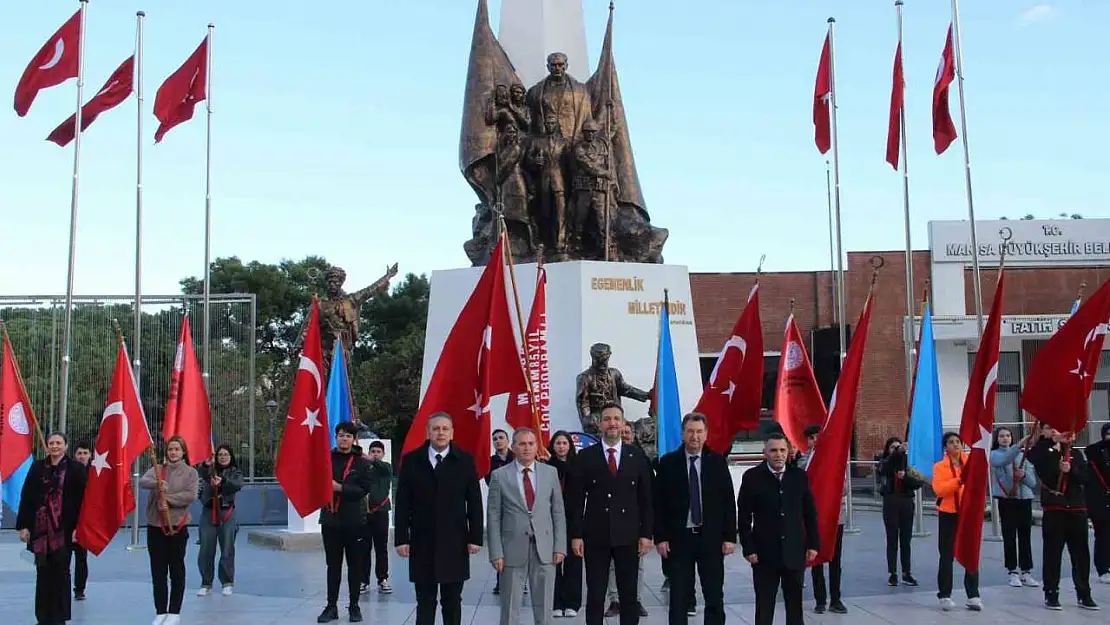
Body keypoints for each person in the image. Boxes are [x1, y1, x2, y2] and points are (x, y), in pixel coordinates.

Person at [566, 403, 654, 625]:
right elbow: (575, 501)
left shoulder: (637, 456)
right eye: (607, 419)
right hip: (596, 535)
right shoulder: (585, 457)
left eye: (616, 418)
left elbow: (647, 499)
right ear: (599, 423)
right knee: (596, 594)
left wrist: (646, 534)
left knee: (628, 595)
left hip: (629, 536)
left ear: (624, 423)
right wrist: (576, 534)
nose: (612, 423)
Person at [395, 412, 483, 625]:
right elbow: (403, 503)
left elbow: (474, 502)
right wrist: (401, 538)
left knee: (452, 600)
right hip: (421, 540)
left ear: (452, 433)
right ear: (428, 432)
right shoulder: (412, 460)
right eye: (436, 428)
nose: (440, 432)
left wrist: (476, 537)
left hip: (455, 541)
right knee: (425, 600)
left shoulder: (464, 460)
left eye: (445, 428)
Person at [654, 413, 736, 625]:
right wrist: (661, 537)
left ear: (706, 434)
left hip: (711, 539)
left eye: (699, 431)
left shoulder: (717, 462)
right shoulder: (668, 463)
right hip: (679, 540)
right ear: (682, 433)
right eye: (690, 431)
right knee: (679, 596)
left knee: (714, 595)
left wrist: (729, 537)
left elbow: (728, 501)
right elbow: (658, 503)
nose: (695, 436)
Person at [487, 427, 567, 625]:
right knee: (510, 608)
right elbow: (494, 516)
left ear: (536, 446)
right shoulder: (499, 476)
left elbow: (557, 512)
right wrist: (496, 552)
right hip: (512, 549)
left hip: (545, 549)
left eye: (531, 443)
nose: (527, 448)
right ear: (513, 447)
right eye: (522, 444)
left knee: (544, 607)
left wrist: (560, 547)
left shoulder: (550, 473)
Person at [738, 433, 818, 625]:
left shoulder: (799, 476)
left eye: (782, 450)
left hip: (794, 551)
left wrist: (813, 544)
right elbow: (743, 516)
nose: (778, 455)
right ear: (765, 452)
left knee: (795, 608)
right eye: (773, 450)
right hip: (764, 554)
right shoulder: (752, 477)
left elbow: (810, 513)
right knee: (764, 607)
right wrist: (749, 548)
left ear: (788, 451)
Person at [1026, 425, 1099, 611]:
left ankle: (1084, 594)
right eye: (1050, 429)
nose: (1056, 432)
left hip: (1076, 508)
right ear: (1043, 432)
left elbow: (1086, 477)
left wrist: (1071, 469)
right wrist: (1052, 443)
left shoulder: (1076, 453)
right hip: (1055, 507)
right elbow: (1033, 457)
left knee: (1081, 554)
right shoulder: (1043, 450)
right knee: (1053, 553)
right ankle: (1051, 593)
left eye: (1058, 429)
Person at [16, 432, 87, 625]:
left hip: (64, 530)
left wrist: (79, 528)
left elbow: (84, 501)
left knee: (62, 574)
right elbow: (27, 497)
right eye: (51, 443)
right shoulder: (38, 467)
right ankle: (43, 617)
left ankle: (59, 617)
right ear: (46, 445)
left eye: (58, 443)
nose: (54, 446)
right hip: (40, 532)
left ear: (65, 446)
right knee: (43, 574)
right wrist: (23, 526)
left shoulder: (76, 469)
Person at [316, 422, 374, 623]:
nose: (344, 439)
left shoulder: (362, 463)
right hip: (331, 520)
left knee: (355, 566)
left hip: (355, 521)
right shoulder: (327, 459)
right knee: (333, 565)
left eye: (348, 436)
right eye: (341, 435)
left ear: (354, 439)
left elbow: (363, 490)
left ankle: (354, 606)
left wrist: (340, 488)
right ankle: (331, 606)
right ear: (336, 437)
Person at [139, 435, 200, 625]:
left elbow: (190, 495)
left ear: (183, 452)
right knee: (157, 570)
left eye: (177, 449)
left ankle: (175, 611)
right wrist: (158, 484)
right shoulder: (158, 469)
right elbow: (142, 481)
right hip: (156, 526)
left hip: (177, 527)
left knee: (176, 568)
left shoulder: (190, 473)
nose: (173, 452)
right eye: (170, 449)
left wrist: (169, 498)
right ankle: (160, 610)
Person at [796, 425, 846, 615]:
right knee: (815, 557)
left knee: (835, 559)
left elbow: (844, 488)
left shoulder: (835, 460)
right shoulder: (803, 462)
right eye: (811, 438)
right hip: (813, 519)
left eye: (817, 437)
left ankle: (836, 599)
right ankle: (820, 600)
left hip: (835, 519)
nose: (814, 441)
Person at [931, 432, 980, 611]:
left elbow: (977, 485)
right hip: (948, 513)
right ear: (946, 447)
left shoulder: (970, 463)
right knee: (946, 555)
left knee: (971, 552)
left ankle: (973, 595)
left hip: (967, 513)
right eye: (951, 442)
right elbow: (939, 489)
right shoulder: (939, 467)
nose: (955, 445)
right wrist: (958, 481)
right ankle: (944, 594)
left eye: (958, 441)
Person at [605, 422, 648, 617]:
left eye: (627, 432)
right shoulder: (608, 457)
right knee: (612, 568)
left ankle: (635, 600)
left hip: (633, 524)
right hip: (609, 525)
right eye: (622, 432)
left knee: (635, 568)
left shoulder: (639, 458)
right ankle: (615, 600)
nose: (625, 435)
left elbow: (646, 494)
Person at [989, 427, 1039, 588]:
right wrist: (1018, 446)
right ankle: (1012, 571)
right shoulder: (995, 454)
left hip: (1024, 499)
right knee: (1009, 536)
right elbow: (1002, 461)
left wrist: (1023, 475)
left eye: (1008, 435)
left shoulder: (1024, 455)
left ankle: (1026, 571)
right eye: (1002, 436)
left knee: (1025, 535)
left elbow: (1032, 483)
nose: (1005, 438)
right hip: (1007, 499)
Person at [195, 444, 244, 598]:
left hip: (226, 513)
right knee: (206, 549)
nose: (223, 457)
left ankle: (227, 582)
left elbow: (237, 484)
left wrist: (222, 482)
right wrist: (206, 464)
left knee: (227, 548)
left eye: (226, 454)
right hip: (209, 513)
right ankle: (206, 583)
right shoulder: (209, 470)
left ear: (230, 457)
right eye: (220, 454)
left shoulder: (234, 472)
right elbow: (199, 474)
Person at [876, 437, 921, 587]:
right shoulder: (885, 463)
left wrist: (906, 477)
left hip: (906, 501)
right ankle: (892, 573)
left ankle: (906, 572)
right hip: (890, 501)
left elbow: (918, 483)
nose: (896, 450)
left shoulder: (908, 464)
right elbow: (885, 468)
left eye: (898, 447)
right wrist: (896, 453)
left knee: (906, 539)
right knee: (892, 538)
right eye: (892, 447)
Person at [546, 430, 581, 618]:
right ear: (553, 446)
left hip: (574, 519)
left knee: (574, 561)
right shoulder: (546, 465)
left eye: (564, 443)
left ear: (570, 446)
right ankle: (555, 602)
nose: (561, 446)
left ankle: (572, 603)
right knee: (553, 562)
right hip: (551, 520)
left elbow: (573, 477)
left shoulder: (577, 466)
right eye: (558, 443)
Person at [361, 440, 393, 595]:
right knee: (364, 548)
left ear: (383, 454)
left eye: (378, 452)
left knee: (381, 548)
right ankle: (363, 580)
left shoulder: (386, 467)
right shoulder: (364, 468)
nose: (375, 454)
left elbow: (382, 467)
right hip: (364, 514)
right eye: (372, 451)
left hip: (381, 512)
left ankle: (383, 579)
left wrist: (370, 459)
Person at [488, 428, 516, 595]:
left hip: (517, 507)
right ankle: (501, 581)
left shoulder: (517, 459)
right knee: (500, 547)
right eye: (495, 439)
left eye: (501, 438)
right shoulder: (490, 461)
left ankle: (521, 581)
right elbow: (488, 479)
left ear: (507, 441)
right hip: (500, 507)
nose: (498, 441)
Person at [1086, 422, 1110, 584]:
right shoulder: (1096, 455)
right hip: (1100, 502)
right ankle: (1103, 568)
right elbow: (1091, 451)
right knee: (1103, 535)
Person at [71, 439, 92, 601]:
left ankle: (80, 589)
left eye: (85, 453)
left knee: (81, 558)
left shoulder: (95, 472)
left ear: (90, 455)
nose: (82, 456)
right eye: (79, 453)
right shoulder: (67, 471)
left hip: (84, 522)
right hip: (67, 520)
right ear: (74, 455)